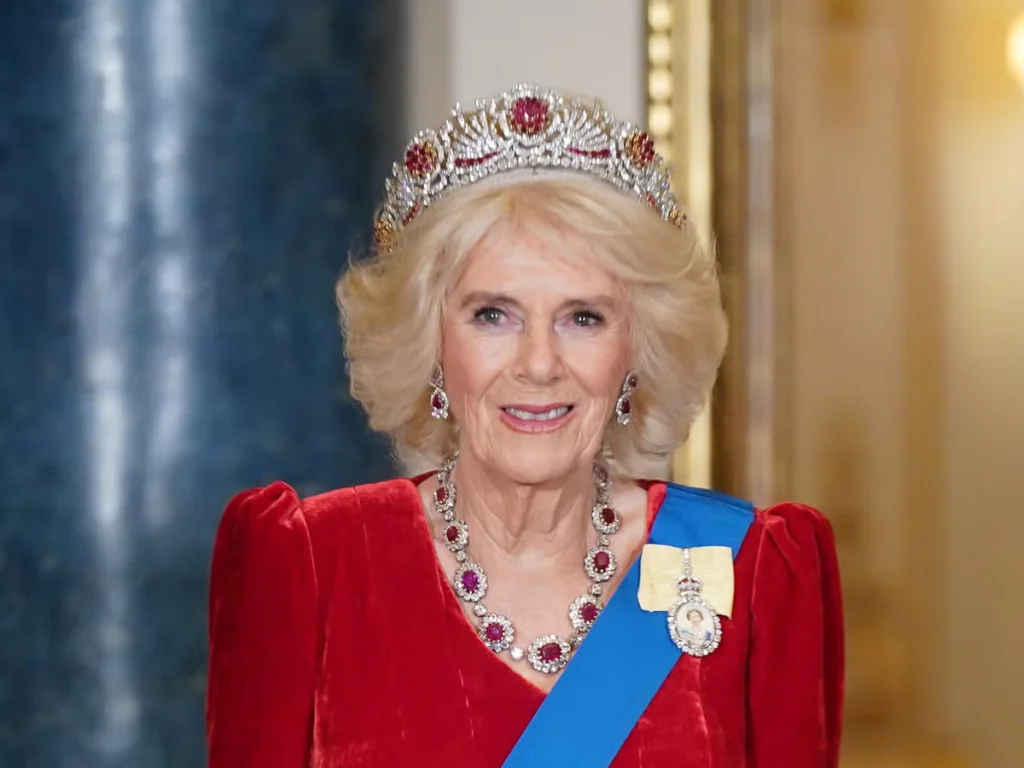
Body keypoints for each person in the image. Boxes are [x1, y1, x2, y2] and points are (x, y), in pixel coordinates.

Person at [205, 84, 844, 767]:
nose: (539, 364)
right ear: (431, 344)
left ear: (637, 351)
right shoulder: (310, 565)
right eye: (493, 315)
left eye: (583, 318)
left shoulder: (751, 572)